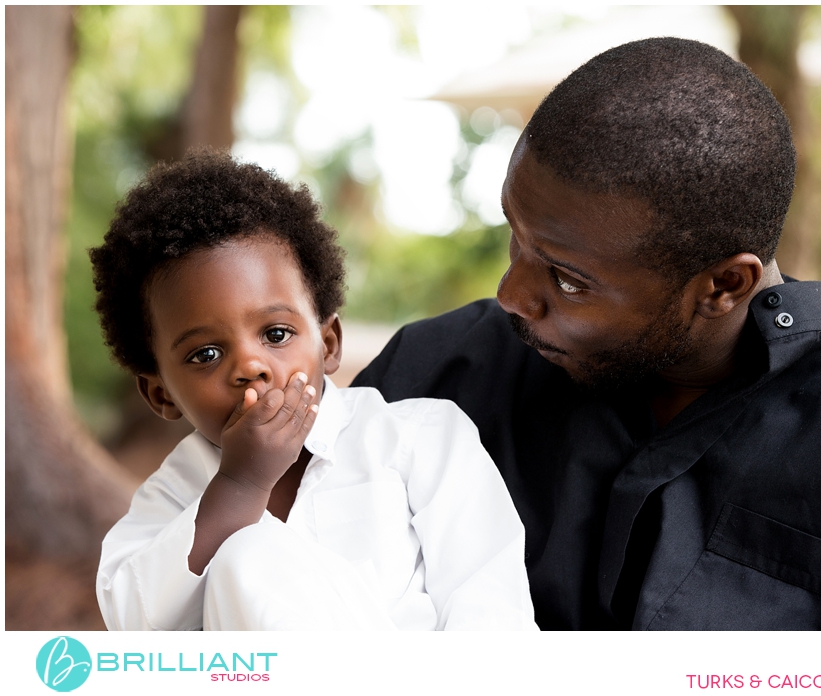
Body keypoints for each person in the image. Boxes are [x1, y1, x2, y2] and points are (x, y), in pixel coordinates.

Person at [353, 38, 821, 630]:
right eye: (517, 235)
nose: (511, 295)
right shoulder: (430, 379)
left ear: (723, 285)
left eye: (568, 280)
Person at [92, 151, 536, 631]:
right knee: (247, 554)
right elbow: (133, 622)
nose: (250, 367)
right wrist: (240, 486)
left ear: (328, 343)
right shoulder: (176, 491)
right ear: (160, 395)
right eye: (205, 355)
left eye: (276, 334)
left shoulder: (422, 440)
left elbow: (492, 611)